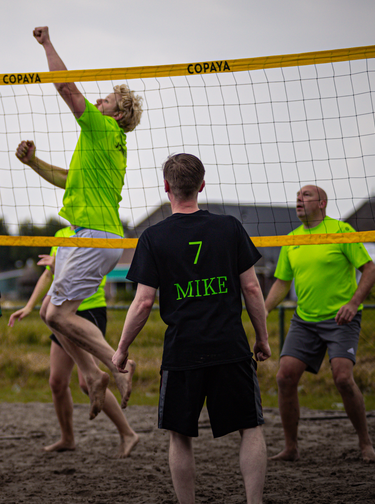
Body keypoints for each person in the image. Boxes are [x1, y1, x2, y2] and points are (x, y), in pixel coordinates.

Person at [113, 153, 271, 504]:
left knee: (179, 435)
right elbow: (251, 288)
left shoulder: (153, 237)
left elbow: (142, 303)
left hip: (183, 349)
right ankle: (254, 501)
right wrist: (262, 338)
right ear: (201, 185)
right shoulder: (229, 227)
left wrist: (122, 349)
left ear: (166, 187)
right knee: (251, 427)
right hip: (230, 346)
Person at [16, 25, 144, 419]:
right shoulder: (103, 145)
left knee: (57, 315)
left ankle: (118, 365)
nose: (98, 102)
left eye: (105, 100)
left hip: (95, 234)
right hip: (89, 234)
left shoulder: (102, 127)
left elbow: (67, 89)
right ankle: (93, 375)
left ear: (117, 113)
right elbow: (66, 180)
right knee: (47, 315)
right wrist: (32, 162)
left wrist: (47, 44)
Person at [264, 184, 375, 463]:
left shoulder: (341, 231)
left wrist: (352, 304)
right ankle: (291, 448)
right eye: (297, 197)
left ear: (323, 203)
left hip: (341, 319)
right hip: (305, 321)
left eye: (306, 196)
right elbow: (282, 282)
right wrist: (263, 310)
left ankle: (365, 443)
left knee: (342, 378)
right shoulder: (292, 239)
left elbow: (370, 271)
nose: (299, 200)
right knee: (284, 377)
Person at [8, 226, 140, 458]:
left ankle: (128, 433)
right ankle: (67, 438)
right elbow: (50, 273)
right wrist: (29, 305)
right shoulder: (60, 234)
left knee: (84, 382)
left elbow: (79, 270)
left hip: (86, 309)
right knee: (57, 382)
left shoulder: (99, 230)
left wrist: (58, 263)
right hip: (59, 309)